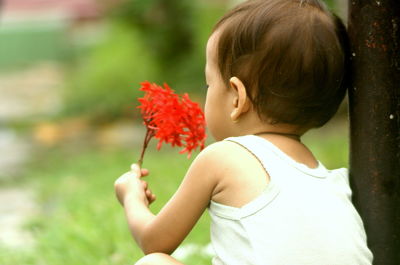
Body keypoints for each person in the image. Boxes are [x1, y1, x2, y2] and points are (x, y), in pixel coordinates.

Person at [114, 0, 374, 264]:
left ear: (237, 98)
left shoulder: (222, 158)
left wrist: (132, 197)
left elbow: (153, 241)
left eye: (208, 86)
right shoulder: (335, 184)